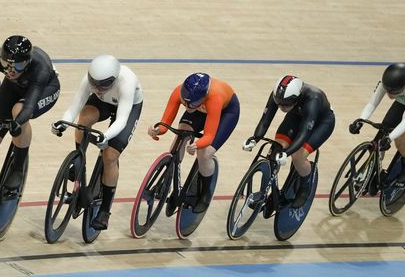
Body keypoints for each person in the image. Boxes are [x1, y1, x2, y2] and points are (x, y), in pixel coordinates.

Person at [53, 54, 143, 230]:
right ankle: (79, 162)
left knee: (110, 156)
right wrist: (62, 123)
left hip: (127, 108)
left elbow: (122, 120)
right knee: (84, 119)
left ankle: (104, 211)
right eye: (94, 83)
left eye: (103, 85)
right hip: (103, 103)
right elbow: (74, 108)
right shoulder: (91, 82)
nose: (98, 88)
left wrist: (106, 136)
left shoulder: (127, 81)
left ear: (115, 79)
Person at [148, 73, 240, 213]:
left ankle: (204, 194)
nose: (188, 106)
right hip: (201, 109)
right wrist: (157, 130)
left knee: (204, 153)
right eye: (185, 103)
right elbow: (165, 123)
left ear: (203, 97)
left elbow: (208, 136)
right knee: (181, 135)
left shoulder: (214, 97)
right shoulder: (180, 93)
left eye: (192, 104)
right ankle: (167, 180)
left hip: (226, 113)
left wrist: (197, 145)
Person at [243, 75, 335, 208]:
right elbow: (265, 120)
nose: (281, 107)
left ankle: (305, 187)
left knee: (298, 157)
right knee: (275, 150)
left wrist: (287, 152)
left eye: (285, 105)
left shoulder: (313, 98)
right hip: (296, 115)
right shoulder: (279, 95)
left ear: (296, 99)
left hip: (321, 123)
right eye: (279, 103)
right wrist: (255, 138)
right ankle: (265, 192)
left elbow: (304, 132)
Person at [0, 35, 60, 189]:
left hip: (44, 89)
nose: (11, 71)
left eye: (18, 66)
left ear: (28, 62)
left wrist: (16, 123)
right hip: (14, 86)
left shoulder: (41, 68)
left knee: (18, 112)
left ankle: (18, 168)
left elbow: (28, 107)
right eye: (6, 65)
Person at [349, 63, 405, 186]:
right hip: (403, 102)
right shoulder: (385, 83)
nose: (390, 94)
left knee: (401, 141)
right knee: (382, 134)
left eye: (394, 91)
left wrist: (390, 139)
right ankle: (374, 170)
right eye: (388, 90)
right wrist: (360, 120)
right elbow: (372, 104)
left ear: (404, 86)